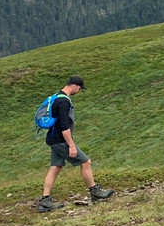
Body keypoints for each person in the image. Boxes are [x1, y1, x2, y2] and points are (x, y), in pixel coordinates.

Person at [37, 76, 114, 212]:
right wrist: (71, 145)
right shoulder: (63, 101)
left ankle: (45, 201)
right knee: (86, 162)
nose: (78, 91)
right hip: (61, 140)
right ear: (74, 86)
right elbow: (64, 126)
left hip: (53, 139)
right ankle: (95, 191)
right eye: (79, 88)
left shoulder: (56, 96)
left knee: (55, 167)